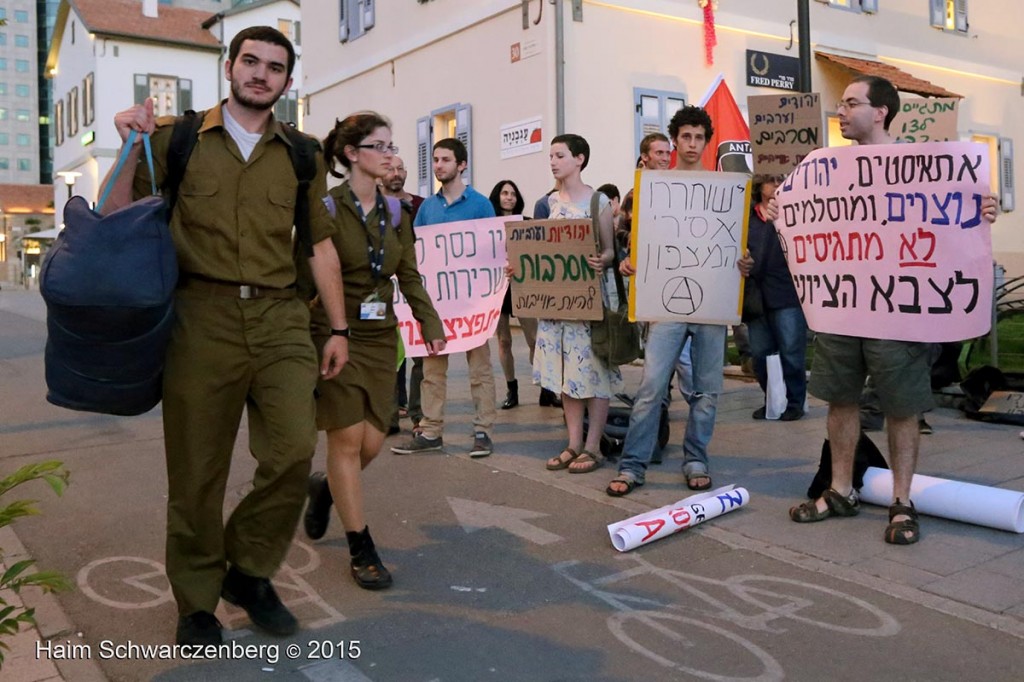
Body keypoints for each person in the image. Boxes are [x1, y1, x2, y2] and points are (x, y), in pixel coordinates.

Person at [98, 27, 349, 645]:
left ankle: (248, 567)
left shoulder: (303, 153)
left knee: (293, 452)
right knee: (196, 474)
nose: (261, 74)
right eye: (251, 62)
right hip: (199, 317)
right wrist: (129, 142)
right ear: (230, 67)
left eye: (275, 67)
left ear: (288, 82)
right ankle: (195, 605)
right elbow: (111, 214)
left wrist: (338, 326)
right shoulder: (175, 138)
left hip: (281, 318)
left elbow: (318, 243)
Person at [782, 75, 999, 545]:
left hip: (896, 313)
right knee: (840, 399)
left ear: (881, 111)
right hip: (843, 309)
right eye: (841, 103)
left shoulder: (921, 168)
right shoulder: (828, 170)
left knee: (901, 405)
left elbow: (951, 220)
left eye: (852, 103)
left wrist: (980, 210)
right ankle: (840, 489)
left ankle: (902, 500)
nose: (841, 110)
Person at [302, 113, 445, 589]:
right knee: (344, 441)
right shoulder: (324, 206)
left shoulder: (398, 212)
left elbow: (408, 274)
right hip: (335, 334)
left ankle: (325, 488)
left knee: (373, 442)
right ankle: (361, 547)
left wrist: (430, 322)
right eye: (378, 145)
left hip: (382, 336)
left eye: (391, 144)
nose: (389, 154)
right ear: (350, 155)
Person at [606, 105, 726, 497]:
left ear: (707, 141)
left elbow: (733, 245)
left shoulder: (725, 189)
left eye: (699, 137)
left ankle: (696, 458)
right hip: (665, 302)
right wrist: (629, 262)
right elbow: (641, 240)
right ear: (675, 141)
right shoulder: (654, 187)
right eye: (686, 136)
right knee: (650, 387)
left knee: (707, 391)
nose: (692, 144)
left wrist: (742, 262)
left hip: (711, 302)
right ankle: (633, 464)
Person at [391, 138, 498, 457]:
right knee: (431, 371)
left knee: (480, 370)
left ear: (461, 165)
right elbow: (418, 254)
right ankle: (430, 430)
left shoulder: (481, 205)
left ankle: (483, 431)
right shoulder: (427, 208)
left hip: (475, 304)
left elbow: (493, 249)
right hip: (439, 306)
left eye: (445, 160)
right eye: (435, 159)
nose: (438, 165)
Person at [532, 133, 619, 474]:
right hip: (558, 306)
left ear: (579, 159)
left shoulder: (597, 202)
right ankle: (573, 442)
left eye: (560, 155)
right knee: (567, 375)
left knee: (594, 374)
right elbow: (538, 252)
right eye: (551, 155)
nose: (553, 161)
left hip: (588, 303)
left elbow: (610, 249)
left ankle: (594, 446)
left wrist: (603, 259)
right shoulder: (549, 203)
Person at [737, 175, 807, 421]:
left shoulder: (795, 216)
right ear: (760, 191)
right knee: (760, 354)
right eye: (772, 182)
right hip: (757, 297)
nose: (777, 186)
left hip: (786, 293)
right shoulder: (747, 220)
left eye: (781, 181)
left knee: (791, 352)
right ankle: (772, 400)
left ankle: (795, 401)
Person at [381, 155, 425, 434]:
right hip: (386, 293)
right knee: (388, 353)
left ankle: (419, 414)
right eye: (390, 169)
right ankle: (389, 416)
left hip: (414, 288)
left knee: (420, 355)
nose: (396, 173)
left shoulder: (420, 206)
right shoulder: (372, 206)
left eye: (400, 168)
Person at [488, 179, 539, 410]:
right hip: (499, 287)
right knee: (504, 340)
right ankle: (512, 388)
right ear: (497, 196)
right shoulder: (487, 226)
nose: (509, 197)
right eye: (505, 193)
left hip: (523, 285)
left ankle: (546, 387)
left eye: (513, 194)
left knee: (534, 340)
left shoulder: (526, 223)